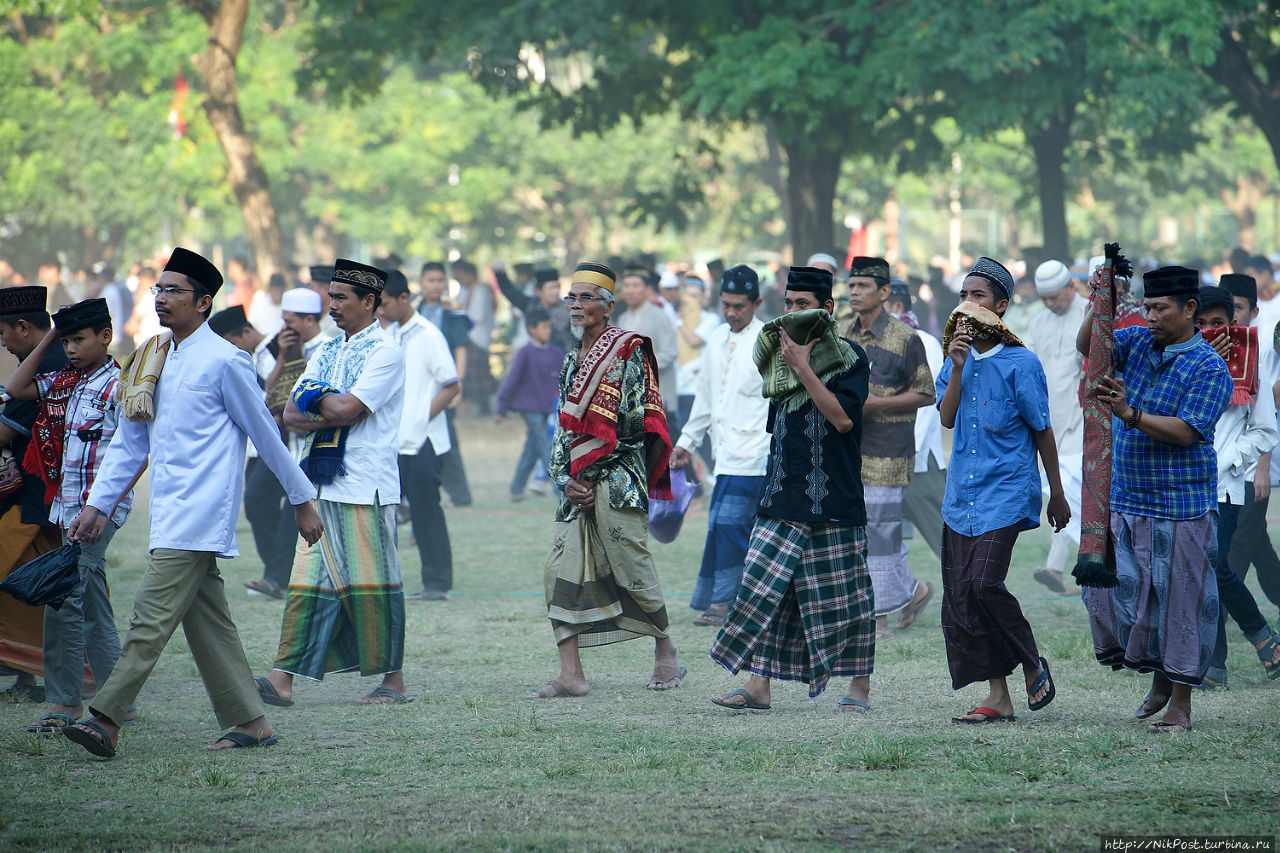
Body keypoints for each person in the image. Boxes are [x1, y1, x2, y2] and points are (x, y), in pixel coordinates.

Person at [61, 248, 323, 759]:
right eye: (158, 290)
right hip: (168, 511)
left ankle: (106, 719)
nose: (161, 299)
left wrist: (301, 499)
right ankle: (250, 722)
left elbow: (266, 435)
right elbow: (131, 443)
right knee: (209, 625)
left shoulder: (227, 361)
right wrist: (97, 503)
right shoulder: (153, 357)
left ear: (203, 303)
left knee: (149, 619)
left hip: (200, 513)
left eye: (173, 291)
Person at [709, 266, 876, 712]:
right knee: (763, 589)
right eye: (788, 304)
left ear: (827, 309)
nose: (793, 313)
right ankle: (758, 685)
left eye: (803, 305)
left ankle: (858, 688)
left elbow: (842, 419)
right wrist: (791, 365)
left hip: (835, 498)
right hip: (782, 493)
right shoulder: (774, 361)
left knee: (847, 597)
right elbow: (778, 430)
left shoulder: (850, 358)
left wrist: (803, 367)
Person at [1077, 265, 1233, 733]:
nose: (1150, 316)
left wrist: (1129, 412)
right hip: (1128, 499)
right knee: (1116, 596)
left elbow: (1187, 432)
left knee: (1181, 605)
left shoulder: (1209, 366)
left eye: (1160, 309)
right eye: (1145, 307)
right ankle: (1161, 681)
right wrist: (1099, 304)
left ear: (1189, 310)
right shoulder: (1139, 342)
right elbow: (1090, 347)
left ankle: (1180, 704)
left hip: (1182, 506)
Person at [258, 259, 411, 707]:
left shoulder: (386, 352)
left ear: (369, 302)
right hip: (318, 486)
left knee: (375, 582)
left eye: (342, 298)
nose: (333, 306)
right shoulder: (323, 350)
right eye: (332, 297)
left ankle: (394, 682)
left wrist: (315, 402)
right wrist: (326, 403)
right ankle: (281, 679)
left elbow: (345, 411)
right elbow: (288, 414)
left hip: (365, 482)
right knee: (309, 584)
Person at [532, 262, 685, 698]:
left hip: (617, 480)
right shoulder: (569, 359)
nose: (577, 306)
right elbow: (562, 428)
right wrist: (565, 479)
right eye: (571, 298)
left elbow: (637, 424)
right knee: (557, 570)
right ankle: (571, 674)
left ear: (608, 306)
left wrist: (591, 473)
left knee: (632, 565)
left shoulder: (629, 351)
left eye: (586, 298)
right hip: (575, 486)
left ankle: (666, 651)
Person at [936, 258, 1067, 724]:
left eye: (979, 297)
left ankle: (1032, 662)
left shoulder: (1022, 363)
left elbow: (1043, 430)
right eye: (963, 296)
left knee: (984, 584)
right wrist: (956, 367)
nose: (968, 306)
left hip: (1008, 493)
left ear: (1002, 307)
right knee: (962, 598)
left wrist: (1057, 492)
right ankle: (999, 697)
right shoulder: (956, 357)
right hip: (960, 499)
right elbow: (947, 417)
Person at [4, 299, 136, 734]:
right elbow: (18, 389)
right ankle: (121, 700)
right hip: (69, 508)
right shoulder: (65, 382)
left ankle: (65, 705)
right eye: (68, 340)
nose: (73, 348)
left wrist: (103, 509)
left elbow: (136, 454)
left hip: (100, 511)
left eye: (80, 339)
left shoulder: (120, 386)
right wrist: (49, 337)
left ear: (105, 336)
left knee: (63, 600)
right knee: (93, 604)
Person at [673, 265, 770, 626]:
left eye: (739, 306)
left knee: (738, 531)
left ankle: (728, 604)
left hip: (759, 456)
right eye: (726, 304)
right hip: (724, 455)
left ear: (757, 303)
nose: (731, 312)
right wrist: (686, 442)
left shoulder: (769, 341)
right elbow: (706, 397)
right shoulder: (714, 338)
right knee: (723, 528)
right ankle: (725, 602)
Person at [1193, 285, 1280, 688]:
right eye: (1202, 323)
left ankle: (1260, 641)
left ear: (1234, 322)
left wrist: (1228, 460)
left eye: (1218, 323)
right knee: (1200, 571)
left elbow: (1265, 431)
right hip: (1179, 483)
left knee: (1213, 567)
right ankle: (1218, 662)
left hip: (1225, 486)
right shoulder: (1180, 359)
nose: (1211, 331)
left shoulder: (1252, 360)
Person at [845, 257, 935, 639]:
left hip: (890, 449)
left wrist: (876, 404)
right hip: (851, 449)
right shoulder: (841, 335)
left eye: (863, 286)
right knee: (862, 532)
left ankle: (877, 618)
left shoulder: (905, 338)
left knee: (880, 533)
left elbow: (926, 392)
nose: (854, 292)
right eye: (851, 285)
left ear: (884, 293)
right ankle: (914, 591)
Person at [378, 269, 460, 601]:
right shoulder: (392, 334)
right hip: (395, 439)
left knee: (427, 510)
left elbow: (451, 385)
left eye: (384, 302)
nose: (380, 310)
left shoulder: (428, 334)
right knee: (387, 510)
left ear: (403, 298)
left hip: (423, 439)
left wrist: (419, 419)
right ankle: (384, 579)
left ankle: (437, 583)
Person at [0, 287, 66, 702]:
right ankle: (27, 674)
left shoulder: (45, 368)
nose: (2, 342)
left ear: (24, 327)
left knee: (32, 582)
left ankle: (47, 675)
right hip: (38, 496)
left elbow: (4, 433)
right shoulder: (44, 362)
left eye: (3, 332)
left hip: (42, 499)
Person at [1026, 259, 1089, 595]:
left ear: (1071, 287)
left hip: (1081, 418)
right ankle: (1071, 563)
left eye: (1055, 296)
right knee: (1062, 493)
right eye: (1045, 298)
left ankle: (1069, 562)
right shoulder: (1038, 322)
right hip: (1049, 419)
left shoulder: (1088, 314)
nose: (1051, 303)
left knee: (1069, 490)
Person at [1220, 273, 1280, 610]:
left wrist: (1262, 468)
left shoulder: (1263, 349)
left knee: (1240, 543)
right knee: (1257, 545)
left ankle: (1224, 611)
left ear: (1254, 311)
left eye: (1237, 308)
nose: (1230, 316)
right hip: (1226, 466)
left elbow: (1269, 411)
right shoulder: (1215, 347)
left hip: (1255, 463)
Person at [891, 281, 948, 561]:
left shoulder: (924, 343)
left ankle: (975, 599)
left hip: (918, 465)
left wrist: (905, 454)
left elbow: (927, 404)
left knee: (949, 547)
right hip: (879, 463)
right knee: (879, 547)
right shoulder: (874, 344)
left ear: (896, 306)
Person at [418, 262, 473, 507]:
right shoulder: (414, 307)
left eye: (440, 280)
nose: (435, 285)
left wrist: (457, 385)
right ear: (421, 281)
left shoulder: (452, 310)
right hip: (419, 385)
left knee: (447, 439)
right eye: (431, 280)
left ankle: (460, 495)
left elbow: (461, 348)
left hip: (444, 385)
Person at [496, 308, 563, 502]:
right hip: (528, 408)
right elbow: (511, 381)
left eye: (549, 327)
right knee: (545, 445)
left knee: (532, 448)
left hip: (546, 407)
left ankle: (516, 490)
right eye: (543, 327)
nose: (548, 331)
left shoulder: (556, 354)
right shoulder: (524, 353)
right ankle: (561, 490)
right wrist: (501, 407)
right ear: (531, 329)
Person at [616, 266, 680, 425]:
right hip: (632, 398)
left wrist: (641, 366)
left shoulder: (659, 316)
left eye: (636, 285)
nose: (630, 290)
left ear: (646, 289)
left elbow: (670, 352)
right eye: (627, 285)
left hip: (657, 395)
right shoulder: (623, 319)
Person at [456, 260, 496, 416]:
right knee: (476, 375)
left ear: (468, 274)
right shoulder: (469, 289)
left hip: (477, 336)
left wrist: (461, 314)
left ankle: (485, 406)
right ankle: (481, 406)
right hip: (473, 336)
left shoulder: (480, 290)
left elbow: (477, 315)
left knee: (479, 375)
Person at [249, 272, 287, 337]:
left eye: (279, 290)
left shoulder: (288, 306)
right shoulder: (259, 304)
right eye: (275, 290)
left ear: (283, 290)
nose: (277, 293)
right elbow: (252, 325)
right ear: (270, 289)